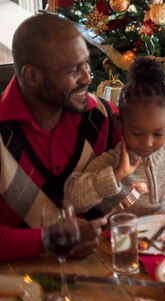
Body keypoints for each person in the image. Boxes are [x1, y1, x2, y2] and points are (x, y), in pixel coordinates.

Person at [0, 14, 120, 261]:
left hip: (103, 277)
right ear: (32, 76)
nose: (87, 77)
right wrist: (44, 242)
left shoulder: (103, 117)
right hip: (18, 290)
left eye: (86, 64)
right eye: (73, 69)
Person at [64, 58, 165, 216]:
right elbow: (72, 198)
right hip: (127, 239)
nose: (148, 143)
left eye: (158, 134)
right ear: (119, 123)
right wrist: (115, 175)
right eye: (137, 133)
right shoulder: (108, 164)